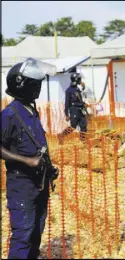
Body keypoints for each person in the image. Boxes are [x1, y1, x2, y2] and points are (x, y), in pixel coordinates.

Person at [0, 58, 57, 259]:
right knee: (22, 235)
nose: (38, 89)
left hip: (39, 184)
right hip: (21, 185)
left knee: (35, 233)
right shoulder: (9, 114)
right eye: (35, 85)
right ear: (21, 86)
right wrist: (27, 161)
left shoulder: (32, 111)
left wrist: (48, 167)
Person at [57, 72, 88, 144]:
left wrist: (83, 104)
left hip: (81, 110)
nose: (80, 81)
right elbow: (67, 103)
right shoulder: (69, 90)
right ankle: (61, 135)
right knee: (73, 126)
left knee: (83, 125)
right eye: (79, 79)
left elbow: (80, 98)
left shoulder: (78, 88)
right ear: (76, 80)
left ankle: (83, 141)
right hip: (74, 110)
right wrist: (66, 114)